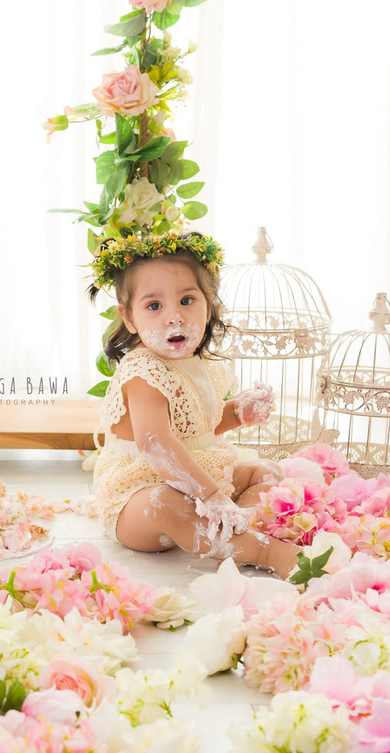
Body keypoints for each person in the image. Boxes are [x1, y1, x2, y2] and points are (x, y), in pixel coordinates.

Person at [88, 230, 299, 576]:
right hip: (139, 494)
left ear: (209, 303)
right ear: (129, 318)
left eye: (187, 301)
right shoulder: (143, 373)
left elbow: (198, 428)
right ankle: (266, 553)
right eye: (154, 306)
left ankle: (239, 527)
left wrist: (237, 412)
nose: (174, 317)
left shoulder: (203, 365)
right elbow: (155, 442)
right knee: (167, 504)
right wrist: (210, 494)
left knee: (266, 471)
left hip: (196, 478)